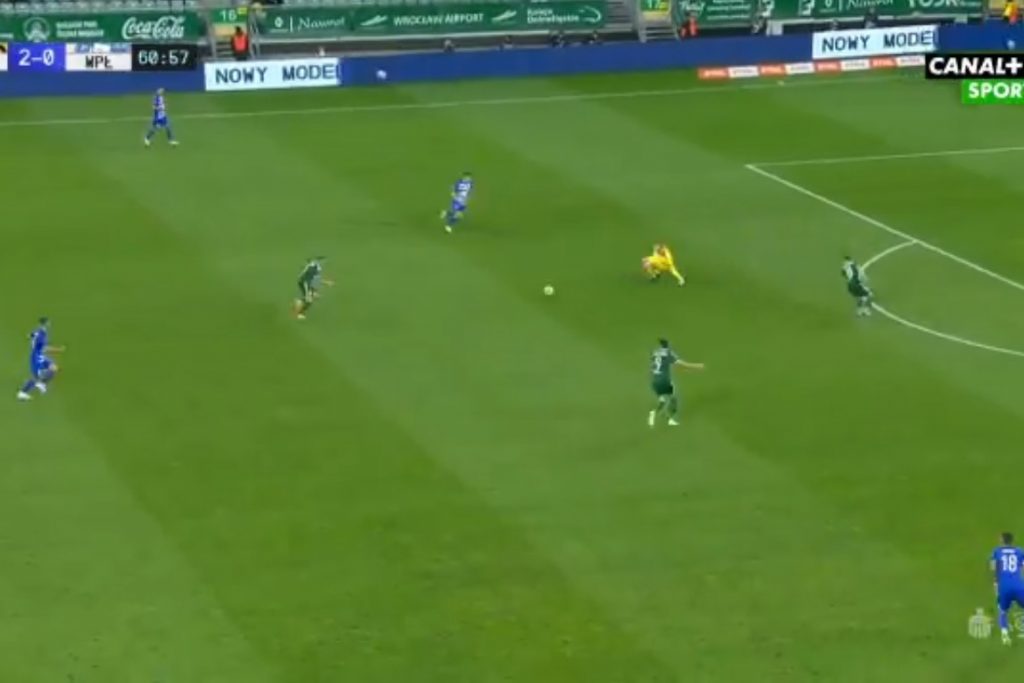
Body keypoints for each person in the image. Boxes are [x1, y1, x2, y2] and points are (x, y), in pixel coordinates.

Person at [648, 338, 703, 427]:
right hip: (664, 380)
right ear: (667, 345)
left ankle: (654, 413)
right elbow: (681, 364)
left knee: (662, 401)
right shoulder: (668, 354)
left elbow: (661, 364)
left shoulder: (655, 353)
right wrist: (698, 367)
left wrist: (684, 369)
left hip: (654, 380)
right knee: (673, 400)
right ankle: (670, 419)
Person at [17, 317, 64, 401]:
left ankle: (42, 383)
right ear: (46, 324)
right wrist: (58, 350)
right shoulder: (42, 336)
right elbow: (45, 348)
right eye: (48, 323)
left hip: (40, 356)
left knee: (54, 368)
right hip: (37, 358)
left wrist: (32, 339)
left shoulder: (39, 331)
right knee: (38, 377)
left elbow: (30, 335)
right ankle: (22, 393)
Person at [992, 532, 1024, 644]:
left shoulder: (997, 551)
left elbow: (995, 569)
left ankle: (1005, 634)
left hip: (1004, 585)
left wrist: (996, 584)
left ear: (1002, 540)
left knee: (1002, 611)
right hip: (1018, 585)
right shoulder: (1019, 551)